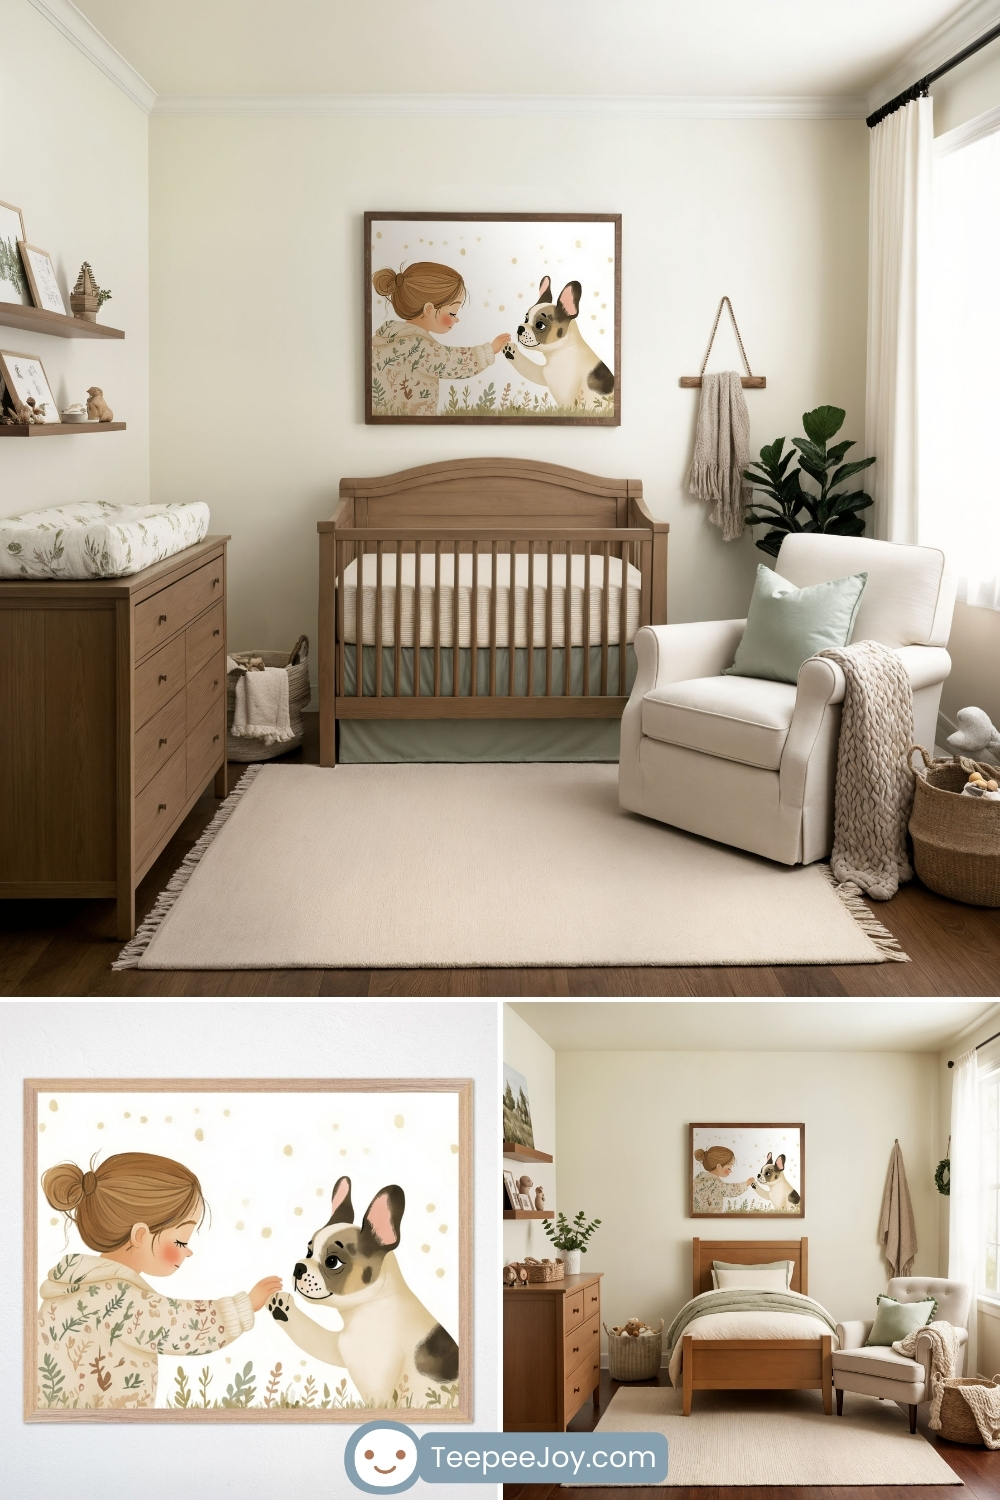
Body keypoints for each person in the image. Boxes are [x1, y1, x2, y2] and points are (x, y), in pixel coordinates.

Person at [37, 1152, 281, 1409]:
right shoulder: (119, 1298)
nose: (188, 1251)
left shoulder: (65, 1290)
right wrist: (246, 1304)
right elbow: (185, 1326)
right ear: (140, 1235)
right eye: (181, 1241)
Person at [371, 262, 511, 416]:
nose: (456, 319)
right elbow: (454, 362)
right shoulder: (417, 347)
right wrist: (490, 349)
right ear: (429, 310)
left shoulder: (385, 341)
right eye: (452, 313)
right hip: (412, 426)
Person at [691, 1145, 755, 1215]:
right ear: (719, 1167)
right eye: (729, 1168)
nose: (731, 1171)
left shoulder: (700, 1180)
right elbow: (731, 1190)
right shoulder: (714, 1183)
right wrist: (746, 1184)